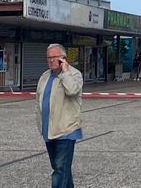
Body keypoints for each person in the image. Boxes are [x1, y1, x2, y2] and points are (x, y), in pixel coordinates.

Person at [35, 43, 83, 188]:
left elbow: (73, 90)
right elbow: (38, 101)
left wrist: (64, 72)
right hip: (48, 131)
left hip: (66, 131)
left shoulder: (74, 74)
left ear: (63, 59)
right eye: (48, 57)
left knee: (60, 170)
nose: (50, 60)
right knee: (61, 170)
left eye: (54, 57)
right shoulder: (44, 76)